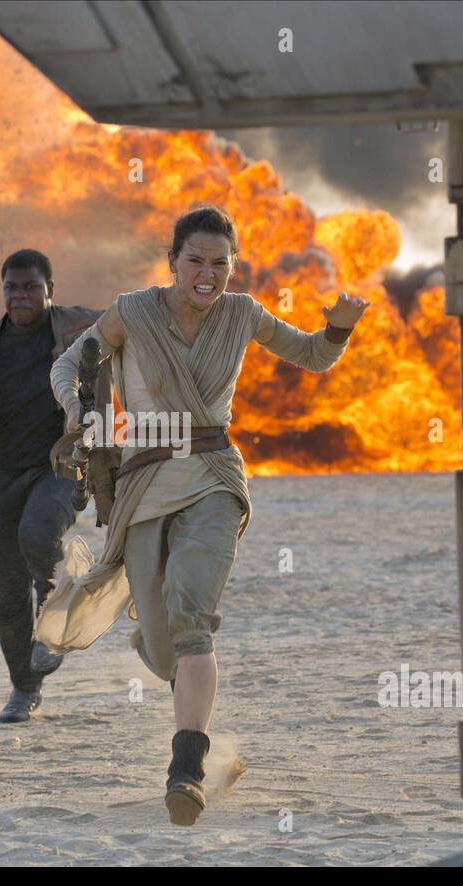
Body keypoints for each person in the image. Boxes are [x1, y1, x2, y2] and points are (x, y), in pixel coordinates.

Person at [44, 206, 368, 824]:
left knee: (194, 619)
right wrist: (75, 410)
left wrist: (339, 329)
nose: (208, 273)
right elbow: (70, 364)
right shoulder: (132, 312)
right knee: (166, 649)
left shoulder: (243, 313)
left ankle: (186, 770)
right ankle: (204, 734)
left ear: (232, 265)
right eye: (195, 259)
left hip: (215, 478)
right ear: (172, 261)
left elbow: (311, 356)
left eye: (220, 262)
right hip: (141, 485)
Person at [0, 249, 111, 723]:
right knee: (4, 594)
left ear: (50, 290)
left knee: (38, 536)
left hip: (62, 466)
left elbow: (126, 323)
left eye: (31, 287)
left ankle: (55, 605)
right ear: (2, 292)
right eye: (12, 288)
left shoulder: (76, 329)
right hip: (5, 474)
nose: (21, 296)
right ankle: (24, 688)